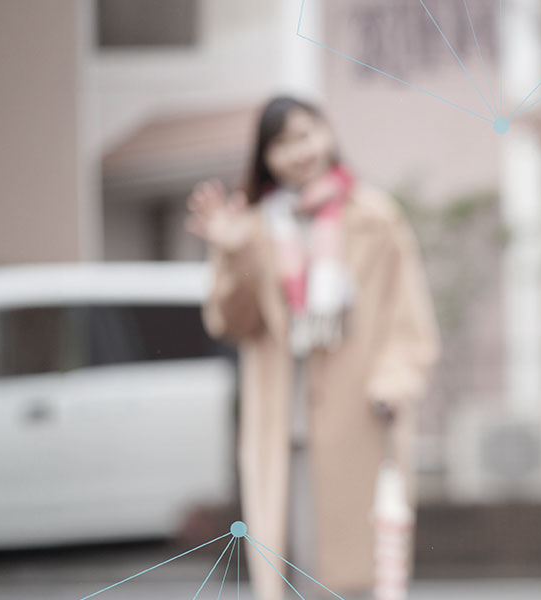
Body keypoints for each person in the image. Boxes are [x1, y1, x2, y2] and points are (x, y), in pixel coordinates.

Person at [186, 95, 438, 600]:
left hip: (360, 418)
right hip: (282, 426)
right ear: (265, 157)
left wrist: (393, 385)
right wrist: (233, 254)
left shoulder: (376, 217)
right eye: (281, 143)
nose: (298, 151)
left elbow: (408, 320)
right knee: (290, 567)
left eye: (305, 134)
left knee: (360, 569)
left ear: (328, 132)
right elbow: (231, 323)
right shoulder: (252, 227)